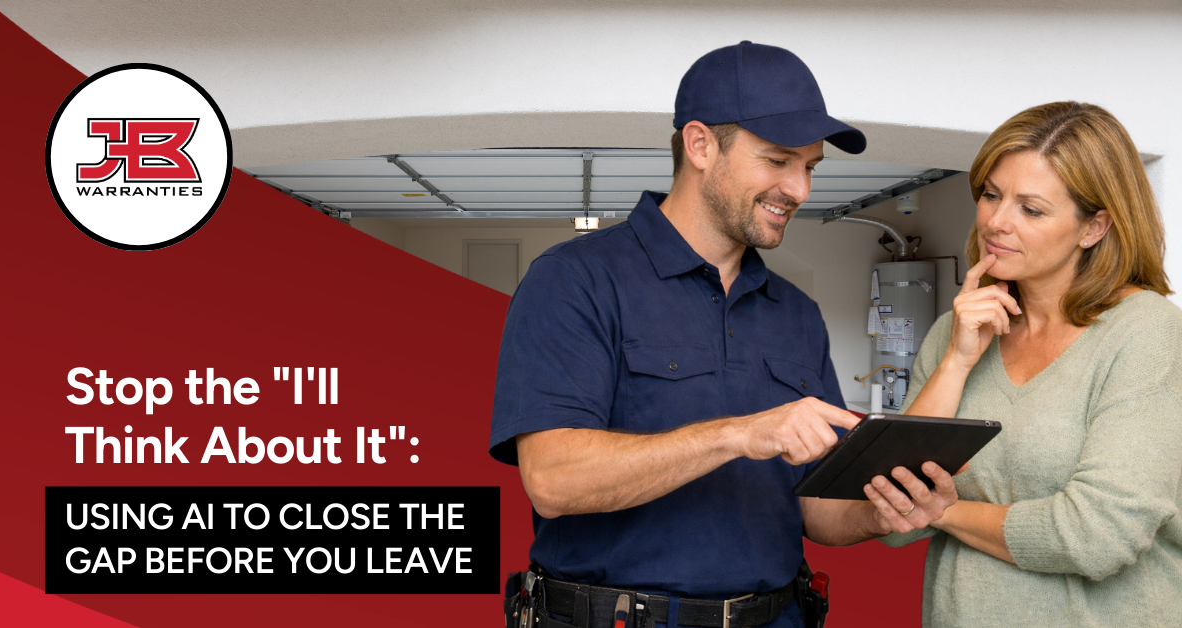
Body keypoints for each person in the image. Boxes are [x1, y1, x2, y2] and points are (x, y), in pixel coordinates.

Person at [489, 41, 958, 628]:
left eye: (810, 167)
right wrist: (739, 434)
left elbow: (816, 509)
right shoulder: (576, 280)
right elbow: (553, 481)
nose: (800, 190)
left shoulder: (797, 314)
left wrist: (882, 514)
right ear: (701, 144)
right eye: (779, 160)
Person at [879, 101, 1182, 628]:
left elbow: (1097, 535)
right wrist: (956, 361)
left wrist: (944, 511)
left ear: (1094, 227)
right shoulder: (954, 333)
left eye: (1031, 209)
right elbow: (891, 517)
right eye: (991, 195)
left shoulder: (1147, 333)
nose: (997, 222)